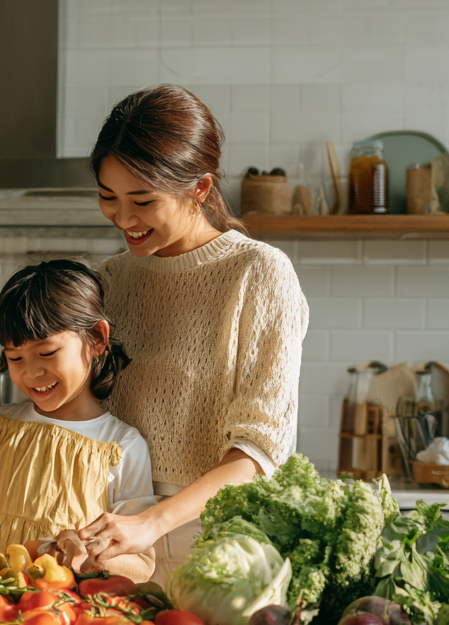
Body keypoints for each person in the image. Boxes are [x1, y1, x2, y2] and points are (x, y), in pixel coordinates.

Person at [76, 84, 310, 581]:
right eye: (107, 197)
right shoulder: (110, 280)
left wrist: (152, 522)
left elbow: (259, 450)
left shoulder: (259, 274)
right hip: (112, 539)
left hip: (217, 546)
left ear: (200, 189)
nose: (123, 218)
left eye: (142, 200)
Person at [0, 260, 158, 582]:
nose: (31, 373)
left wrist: (85, 552)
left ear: (97, 338)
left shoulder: (122, 446)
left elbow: (140, 564)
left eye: (47, 353)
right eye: (15, 358)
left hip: (62, 614)